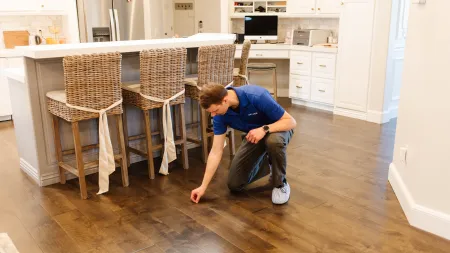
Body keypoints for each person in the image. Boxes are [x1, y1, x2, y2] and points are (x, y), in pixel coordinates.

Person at [190, 83, 296, 205]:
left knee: (273, 141)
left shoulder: (256, 95)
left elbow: (291, 121)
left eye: (215, 111)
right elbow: (216, 151)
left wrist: (264, 129)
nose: (213, 115)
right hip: (254, 136)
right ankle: (271, 162)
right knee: (234, 184)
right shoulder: (220, 116)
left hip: (278, 128)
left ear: (225, 100)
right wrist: (203, 187)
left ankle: (280, 183)